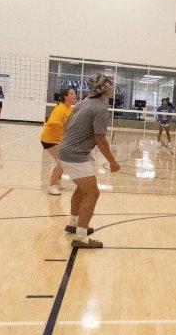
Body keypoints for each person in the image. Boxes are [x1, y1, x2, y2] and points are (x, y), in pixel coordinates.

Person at [56, 74, 120, 248]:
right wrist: (113, 162)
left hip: (67, 151)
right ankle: (82, 237)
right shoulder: (99, 108)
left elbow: (67, 124)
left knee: (82, 189)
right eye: (110, 85)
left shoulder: (83, 102)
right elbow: (100, 139)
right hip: (75, 155)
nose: (112, 88)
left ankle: (73, 223)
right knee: (93, 193)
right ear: (103, 88)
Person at [42, 87, 77, 195]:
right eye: (71, 94)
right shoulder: (60, 108)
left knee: (64, 161)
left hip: (59, 140)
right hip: (49, 139)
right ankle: (51, 186)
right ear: (65, 97)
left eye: (75, 94)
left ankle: (57, 181)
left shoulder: (70, 108)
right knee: (63, 162)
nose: (74, 95)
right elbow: (52, 122)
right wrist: (64, 127)